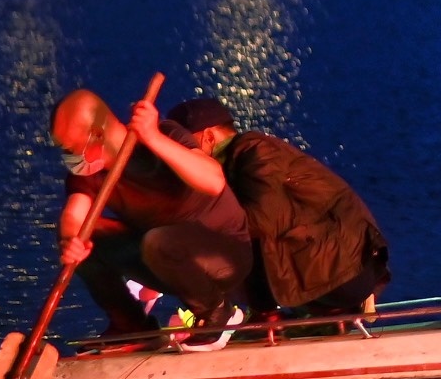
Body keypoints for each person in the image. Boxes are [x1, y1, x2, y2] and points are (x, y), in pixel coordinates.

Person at [49, 87, 251, 348]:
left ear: (96, 134)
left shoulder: (165, 133)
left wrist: (152, 137)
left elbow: (213, 181)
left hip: (224, 253)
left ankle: (217, 313)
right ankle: (133, 326)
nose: (69, 158)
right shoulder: (88, 174)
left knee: (159, 241)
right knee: (88, 239)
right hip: (161, 258)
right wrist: (71, 241)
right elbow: (74, 216)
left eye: (71, 148)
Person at [164, 98, 391, 318]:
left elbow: (264, 219)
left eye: (184, 144)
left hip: (341, 271)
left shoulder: (254, 149)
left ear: (208, 137)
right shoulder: (234, 162)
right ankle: (263, 313)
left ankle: (233, 313)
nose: (180, 154)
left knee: (193, 241)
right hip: (329, 270)